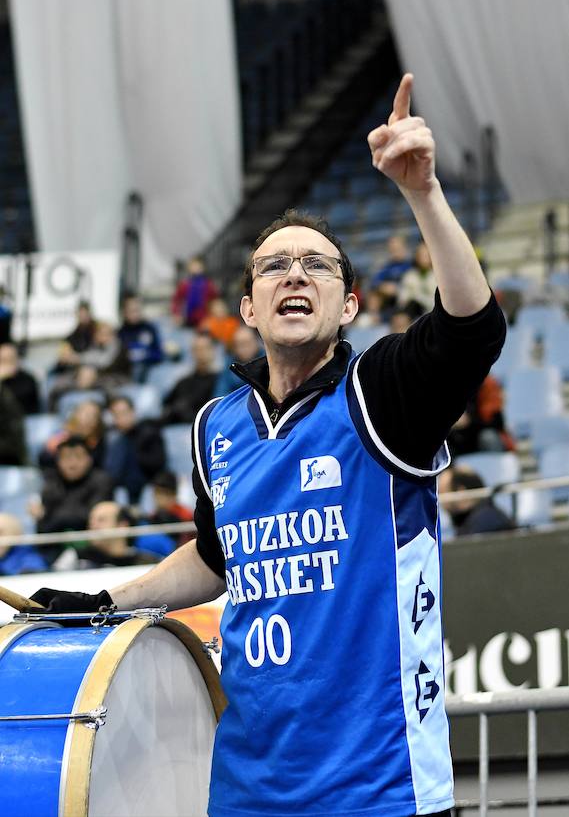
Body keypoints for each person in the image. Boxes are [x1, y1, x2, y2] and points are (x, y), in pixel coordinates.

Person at [28, 75, 506, 817]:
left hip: (379, 791)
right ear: (247, 307)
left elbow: (472, 329)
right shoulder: (215, 426)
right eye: (273, 265)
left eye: (317, 264)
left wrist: (422, 192)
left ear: (347, 304)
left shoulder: (381, 395)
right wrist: (102, 599)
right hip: (247, 790)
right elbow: (217, 557)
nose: (294, 273)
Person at [31, 436, 114, 562]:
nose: (72, 463)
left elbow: (91, 518)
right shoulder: (51, 482)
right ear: (58, 461)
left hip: (94, 550)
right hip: (55, 551)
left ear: (89, 459)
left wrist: (55, 517)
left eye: (78, 457)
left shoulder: (102, 480)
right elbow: (43, 528)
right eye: (66, 458)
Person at [53, 501, 161, 570]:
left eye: (101, 520)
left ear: (122, 526)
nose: (93, 526)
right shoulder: (75, 557)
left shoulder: (146, 562)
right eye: (91, 521)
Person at [104, 395, 166, 502]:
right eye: (116, 415)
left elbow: (157, 464)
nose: (121, 418)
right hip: (121, 491)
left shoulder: (149, 433)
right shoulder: (115, 440)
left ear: (133, 412)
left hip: (145, 490)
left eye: (124, 412)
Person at [161, 332, 219, 424]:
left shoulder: (220, 382)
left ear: (213, 351)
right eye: (196, 349)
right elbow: (167, 405)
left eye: (204, 348)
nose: (200, 353)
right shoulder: (184, 382)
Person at [438, 465, 514, 535]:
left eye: (442, 492)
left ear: (460, 492)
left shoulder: (486, 522)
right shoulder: (471, 520)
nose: (439, 498)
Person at [118, 294, 163, 382]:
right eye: (131, 310)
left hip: (146, 368)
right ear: (124, 312)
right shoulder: (121, 332)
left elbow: (158, 354)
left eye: (137, 310)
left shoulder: (149, 329)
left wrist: (144, 355)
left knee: (139, 367)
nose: (135, 314)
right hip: (126, 370)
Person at [213, 325, 263, 397]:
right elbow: (220, 393)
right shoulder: (229, 364)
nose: (243, 349)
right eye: (238, 345)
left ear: (256, 342)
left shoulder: (267, 361)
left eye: (246, 343)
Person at [171, 256, 219, 327]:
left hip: (205, 318)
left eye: (198, 266)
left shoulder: (208, 285)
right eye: (193, 266)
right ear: (189, 268)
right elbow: (177, 300)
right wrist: (177, 313)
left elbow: (214, 300)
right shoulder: (185, 284)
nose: (196, 268)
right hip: (188, 317)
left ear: (203, 268)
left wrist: (214, 315)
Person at [398, 239, 437, 317]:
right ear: (416, 257)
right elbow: (403, 299)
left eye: (426, 255)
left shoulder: (438, 276)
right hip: (413, 314)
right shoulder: (409, 275)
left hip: (433, 314)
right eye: (421, 255)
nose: (423, 258)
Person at [0, 343, 40, 414]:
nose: (7, 363)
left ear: (17, 359)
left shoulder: (28, 379)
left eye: (10, 359)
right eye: (3, 360)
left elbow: (19, 402)